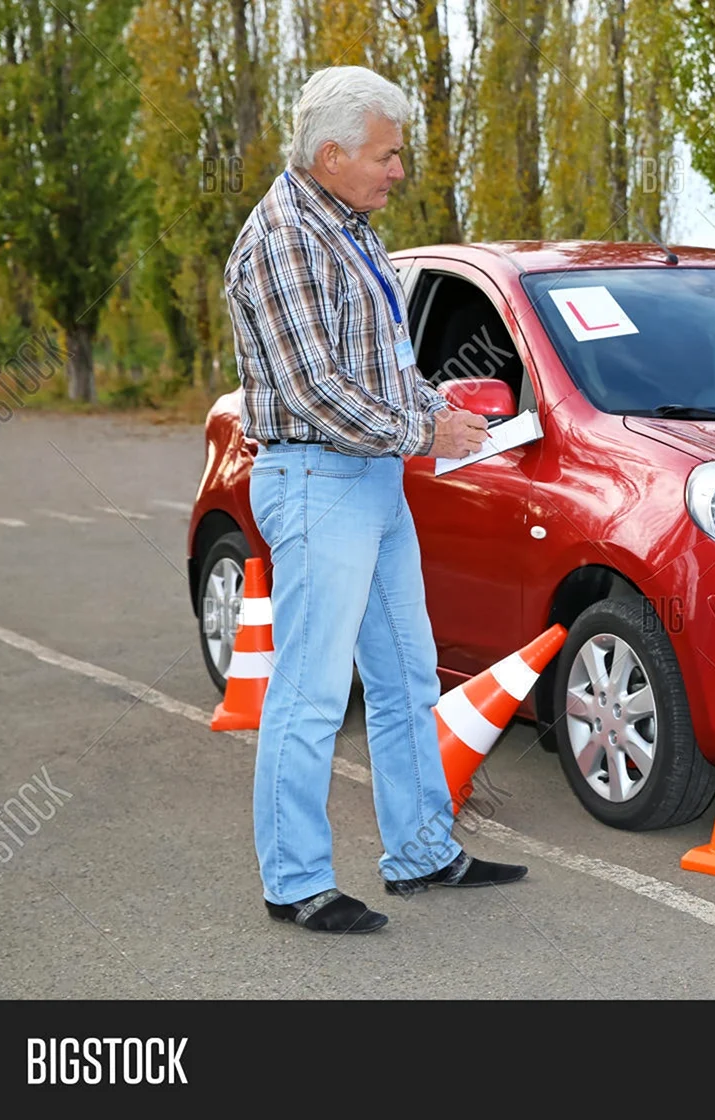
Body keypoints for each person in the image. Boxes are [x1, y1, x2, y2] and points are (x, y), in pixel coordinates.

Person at [223, 65, 526, 934]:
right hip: (319, 478)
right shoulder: (284, 238)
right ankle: (295, 881)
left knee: (403, 675)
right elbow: (316, 390)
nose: (400, 171)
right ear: (331, 152)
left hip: (371, 479)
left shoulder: (344, 226)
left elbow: (385, 365)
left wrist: (442, 414)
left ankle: (423, 851)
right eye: (388, 155)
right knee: (312, 693)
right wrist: (425, 433)